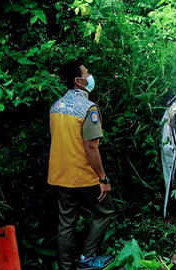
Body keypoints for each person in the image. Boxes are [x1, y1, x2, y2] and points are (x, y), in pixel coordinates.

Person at [48, 61, 115, 269]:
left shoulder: (55, 106)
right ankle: (87, 259)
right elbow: (90, 147)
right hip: (84, 175)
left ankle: (65, 267)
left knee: (66, 223)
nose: (90, 76)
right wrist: (102, 178)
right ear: (78, 81)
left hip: (60, 174)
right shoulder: (88, 109)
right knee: (105, 212)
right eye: (87, 74)